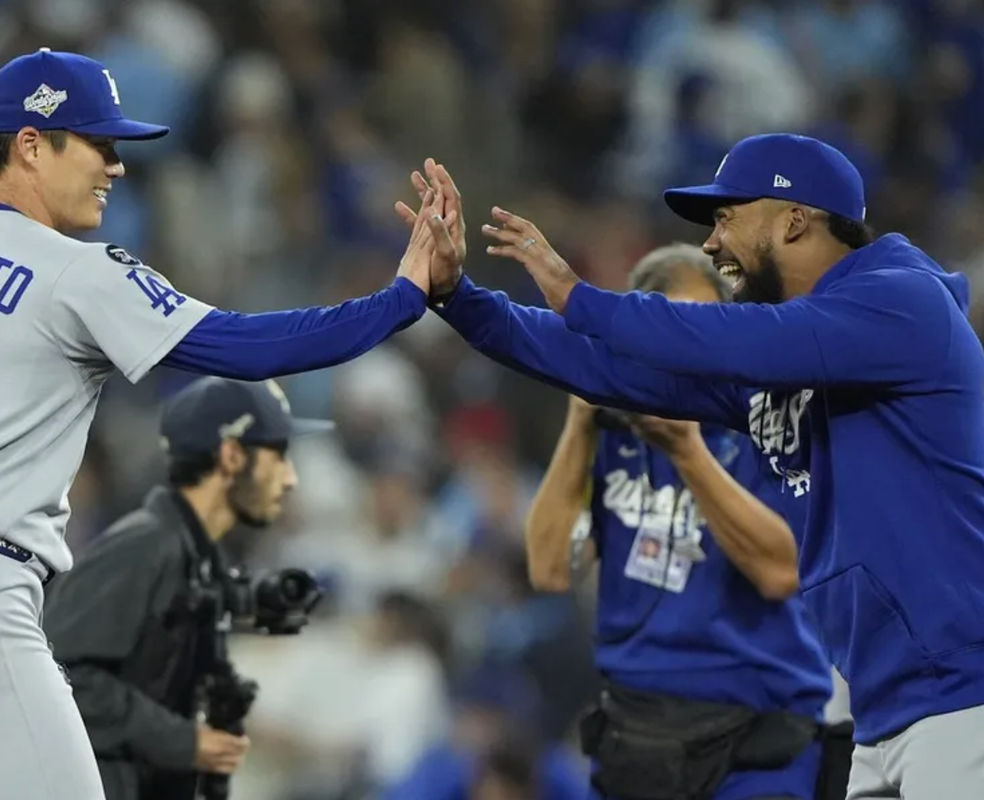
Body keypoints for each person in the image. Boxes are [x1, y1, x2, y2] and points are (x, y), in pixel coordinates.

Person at [0, 47, 445, 800]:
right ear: (31, 144)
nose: (116, 166)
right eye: (98, 142)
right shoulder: (70, 267)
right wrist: (400, 299)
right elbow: (243, 347)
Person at [401, 135, 984, 797]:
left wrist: (582, 296)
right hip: (885, 704)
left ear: (795, 219)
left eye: (727, 216)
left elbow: (735, 340)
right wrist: (460, 299)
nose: (711, 242)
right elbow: (607, 367)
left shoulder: (902, 300)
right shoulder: (787, 356)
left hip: (964, 693)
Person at [524, 243, 830, 800]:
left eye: (704, 326)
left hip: (755, 736)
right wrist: (580, 416)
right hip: (636, 733)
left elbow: (781, 572)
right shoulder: (614, 432)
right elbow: (548, 570)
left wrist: (688, 453)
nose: (688, 348)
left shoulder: (764, 422)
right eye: (668, 327)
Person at [42, 376, 325, 800]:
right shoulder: (144, 548)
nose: (289, 478)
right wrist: (185, 741)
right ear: (231, 457)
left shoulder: (196, 556)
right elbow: (60, 675)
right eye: (277, 456)